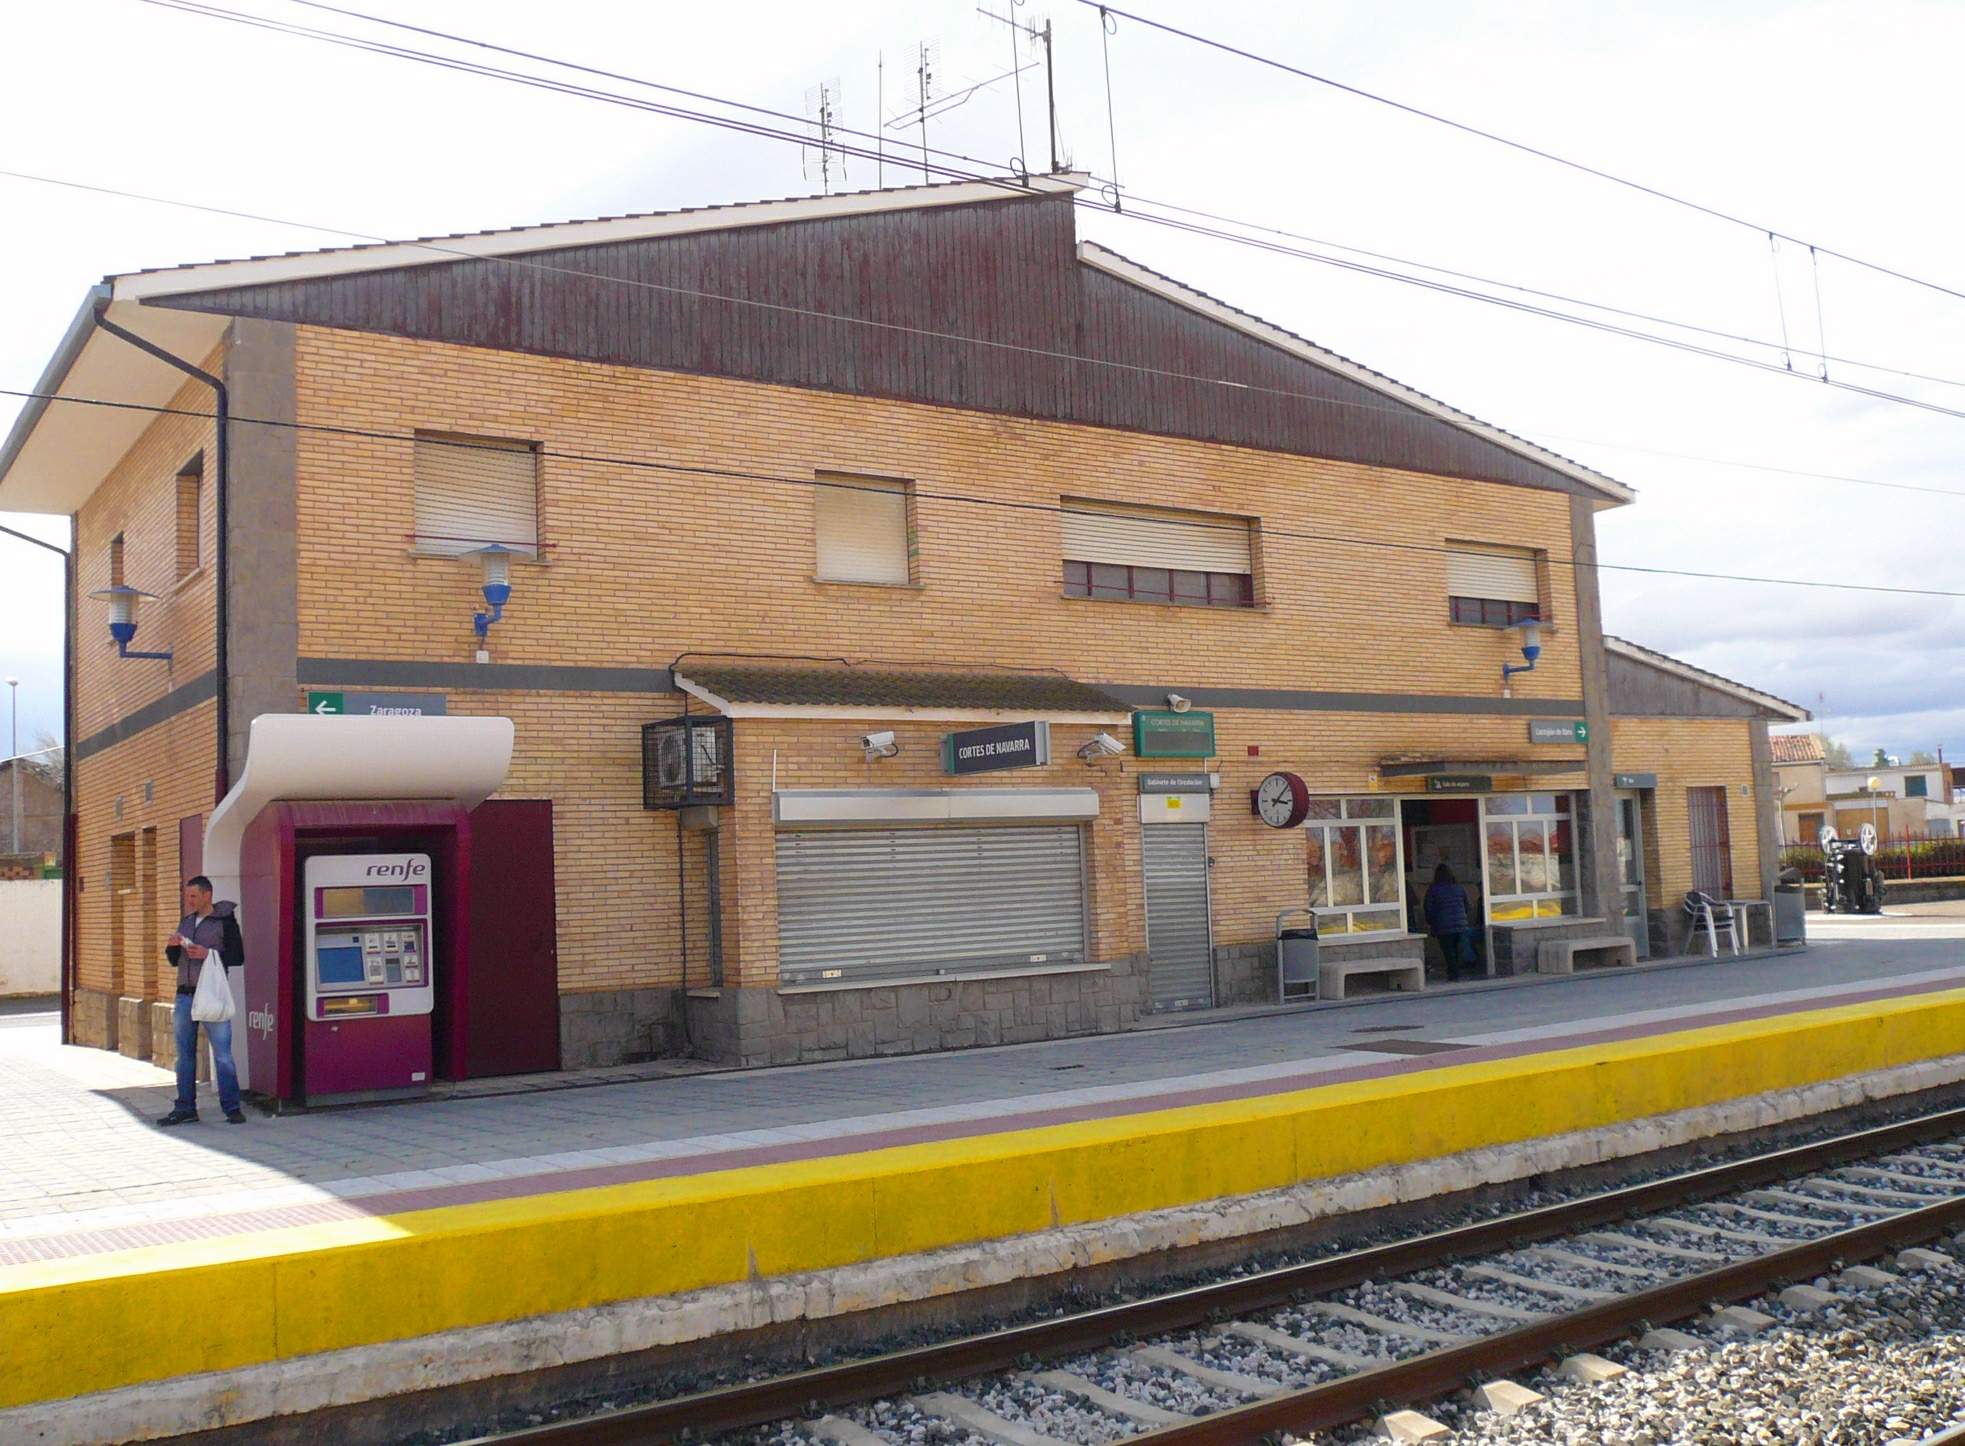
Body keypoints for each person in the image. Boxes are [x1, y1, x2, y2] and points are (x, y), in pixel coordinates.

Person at [157, 875, 246, 1126]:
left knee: (223, 1055)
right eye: (188, 896)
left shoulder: (225, 922)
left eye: (193, 896)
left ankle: (232, 1108)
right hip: (184, 995)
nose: (189, 901)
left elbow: (238, 956)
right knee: (184, 1055)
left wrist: (209, 954)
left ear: (208, 895)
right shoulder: (186, 922)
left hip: (211, 994)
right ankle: (185, 1107)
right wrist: (173, 946)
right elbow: (175, 961)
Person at [1423, 861, 1477, 983]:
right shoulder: (1459, 887)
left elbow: (1428, 907)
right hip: (1460, 925)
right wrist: (1463, 918)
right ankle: (1454, 972)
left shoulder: (1434, 889)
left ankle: (1454, 973)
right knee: (1456, 950)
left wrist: (1431, 922)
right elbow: (1468, 905)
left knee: (1448, 951)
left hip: (1443, 925)